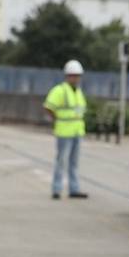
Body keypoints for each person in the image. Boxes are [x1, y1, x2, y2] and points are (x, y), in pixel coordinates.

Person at [44, 59, 90, 199]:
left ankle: (74, 189)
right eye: (73, 75)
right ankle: (57, 189)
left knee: (74, 163)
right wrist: (56, 119)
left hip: (77, 131)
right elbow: (48, 107)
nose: (75, 78)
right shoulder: (59, 90)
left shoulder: (78, 92)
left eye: (77, 75)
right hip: (64, 132)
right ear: (67, 76)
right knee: (61, 161)